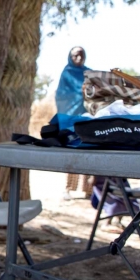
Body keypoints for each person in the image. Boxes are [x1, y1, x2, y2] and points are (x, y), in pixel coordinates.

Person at [56, 47, 93, 197]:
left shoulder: (89, 73)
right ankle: (69, 188)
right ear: (70, 57)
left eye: (81, 55)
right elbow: (62, 96)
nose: (79, 58)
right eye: (75, 55)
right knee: (72, 152)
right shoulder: (67, 74)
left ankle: (88, 189)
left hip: (87, 118)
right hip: (70, 119)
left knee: (89, 152)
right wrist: (80, 94)